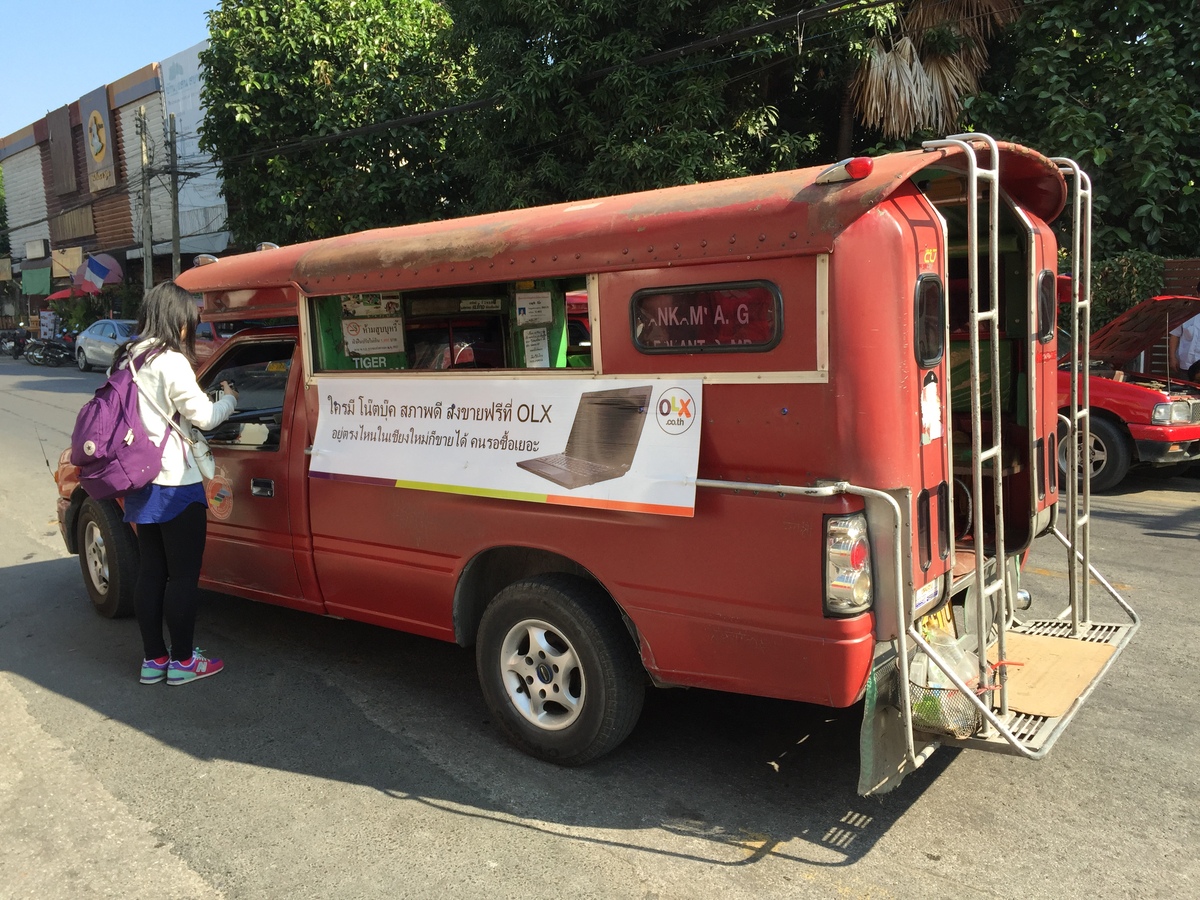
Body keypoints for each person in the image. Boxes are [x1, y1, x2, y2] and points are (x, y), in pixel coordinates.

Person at [111, 281, 238, 686]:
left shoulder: (126, 358)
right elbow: (203, 416)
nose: (191, 328)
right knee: (183, 576)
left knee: (151, 571)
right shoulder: (170, 361)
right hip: (176, 485)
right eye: (190, 320)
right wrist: (230, 399)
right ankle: (183, 662)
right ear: (177, 319)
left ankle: (154, 660)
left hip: (140, 481)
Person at [1168, 313, 1200, 382]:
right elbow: (1174, 335)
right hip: (1185, 365)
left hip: (1199, 368)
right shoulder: (1185, 314)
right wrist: (1172, 358)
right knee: (1184, 391)